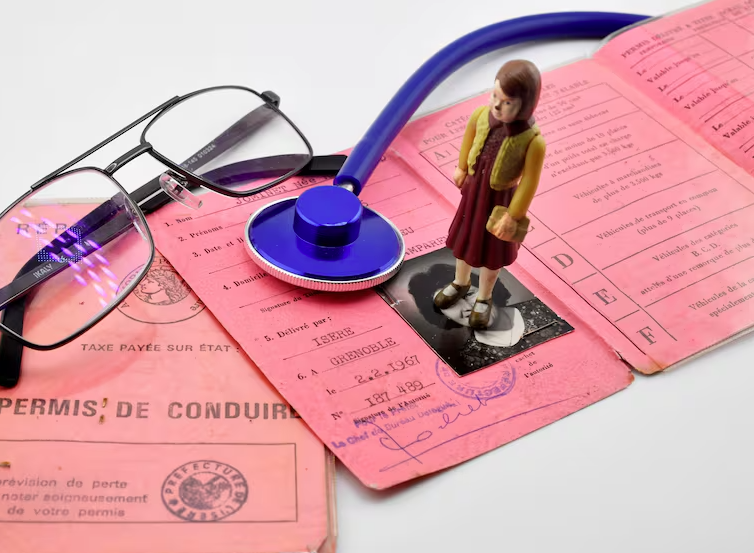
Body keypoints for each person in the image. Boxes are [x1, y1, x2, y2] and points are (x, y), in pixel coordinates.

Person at [433, 59, 546, 329]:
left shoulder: (533, 141)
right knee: (463, 241)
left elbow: (530, 181)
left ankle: (484, 297)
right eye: (495, 95)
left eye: (507, 102)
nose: (497, 105)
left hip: (500, 202)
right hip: (473, 193)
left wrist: (514, 214)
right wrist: (462, 167)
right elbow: (468, 139)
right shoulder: (480, 115)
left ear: (526, 105)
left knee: (492, 252)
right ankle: (460, 282)